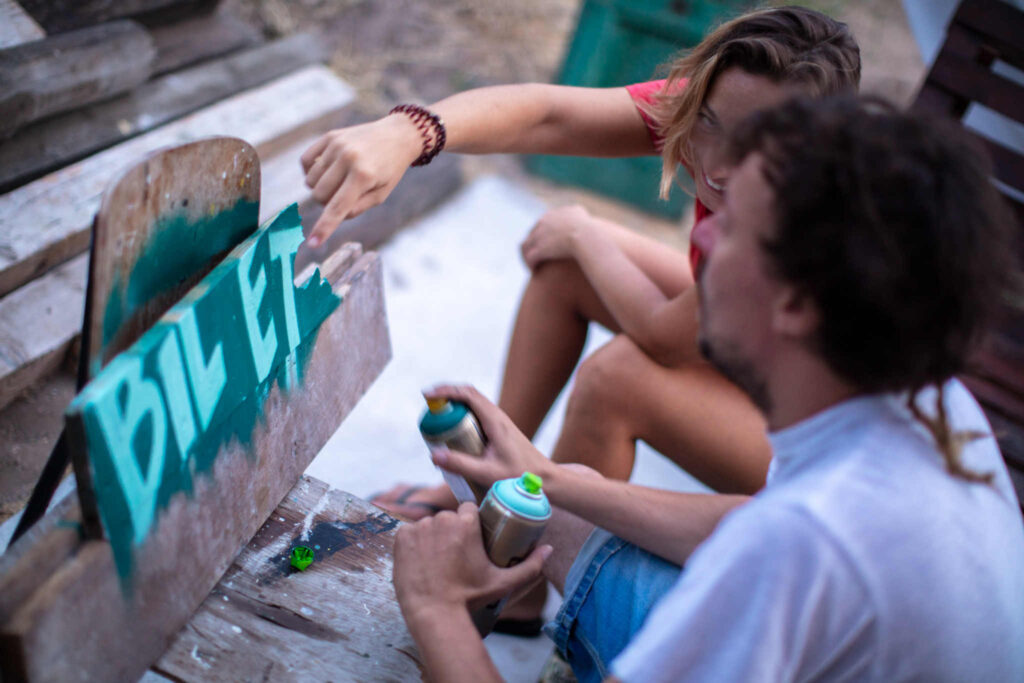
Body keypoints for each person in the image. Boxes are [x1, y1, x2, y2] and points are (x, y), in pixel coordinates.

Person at [391, 95, 1024, 682]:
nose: (699, 235)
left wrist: (436, 607)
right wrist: (548, 479)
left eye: (734, 227)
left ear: (796, 303)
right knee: (562, 500)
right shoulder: (929, 401)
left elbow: (769, 546)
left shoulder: (802, 544)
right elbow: (740, 521)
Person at [301, 7, 862, 525]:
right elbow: (550, 116)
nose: (715, 164)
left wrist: (583, 232)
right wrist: (409, 132)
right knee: (565, 265)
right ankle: (481, 482)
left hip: (829, 460)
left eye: (754, 144)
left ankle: (523, 564)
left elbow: (665, 340)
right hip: (765, 362)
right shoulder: (731, 108)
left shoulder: (805, 211)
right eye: (710, 121)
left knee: (616, 380)